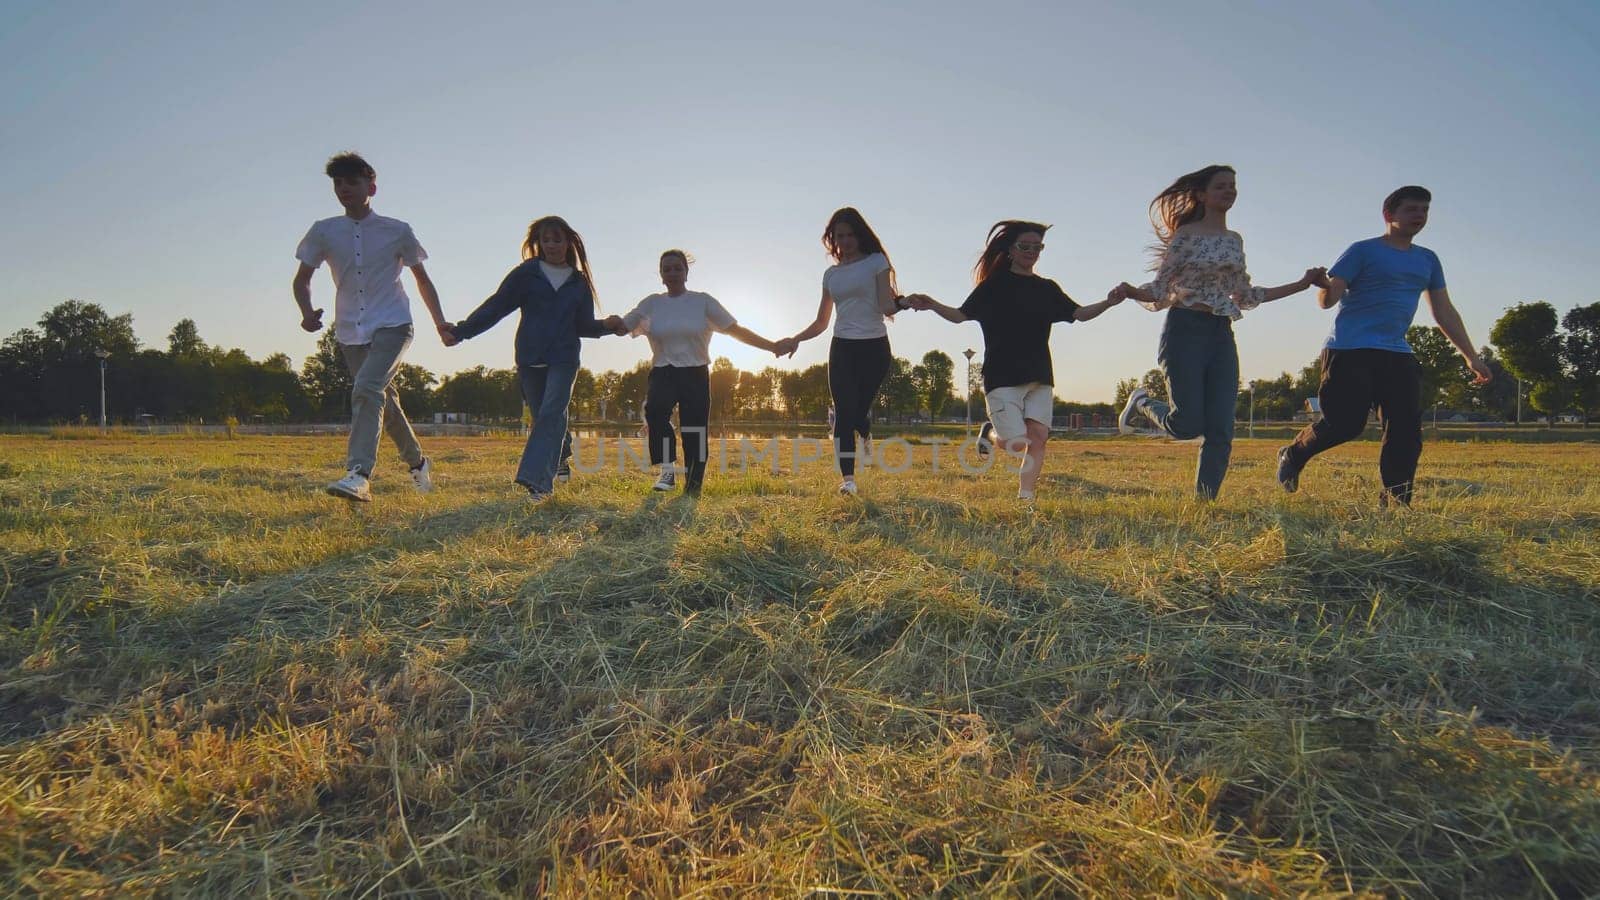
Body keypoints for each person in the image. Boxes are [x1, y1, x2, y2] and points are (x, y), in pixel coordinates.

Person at [1114, 164, 1326, 499]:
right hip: (1184, 329)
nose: (1229, 191)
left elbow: (1247, 294)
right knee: (1186, 425)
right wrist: (1130, 291)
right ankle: (1142, 402)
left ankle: (1205, 502)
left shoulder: (1233, 241)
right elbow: (1159, 289)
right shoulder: (1186, 236)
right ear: (1201, 194)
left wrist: (1302, 284)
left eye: (1232, 186)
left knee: (1221, 429)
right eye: (1220, 186)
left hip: (1220, 332)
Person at [1276, 186, 1491, 506]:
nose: (1419, 216)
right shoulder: (1361, 251)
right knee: (1344, 425)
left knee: (1405, 429)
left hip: (1397, 353)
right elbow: (1328, 299)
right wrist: (1322, 286)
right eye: (1411, 209)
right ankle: (1293, 455)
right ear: (1389, 215)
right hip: (1350, 350)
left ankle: (1395, 501)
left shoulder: (1428, 260)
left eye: (1424, 210)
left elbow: (1443, 310)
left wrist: (1471, 356)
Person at [905, 220, 1125, 501]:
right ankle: (990, 434)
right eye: (1025, 246)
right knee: (1015, 444)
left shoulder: (1047, 288)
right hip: (1002, 376)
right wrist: (933, 304)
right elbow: (961, 315)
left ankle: (1026, 497)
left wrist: (1108, 302)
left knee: (1039, 438)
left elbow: (1079, 314)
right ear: (1011, 249)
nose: (1032, 252)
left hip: (1040, 375)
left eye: (1038, 247)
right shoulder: (993, 286)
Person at [293, 152, 453, 503]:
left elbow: (422, 280)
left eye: (352, 182)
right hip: (351, 330)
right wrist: (306, 312)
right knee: (384, 401)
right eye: (338, 183)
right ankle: (419, 462)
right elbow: (302, 279)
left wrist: (440, 323)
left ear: (372, 186)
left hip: (394, 324)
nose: (344, 189)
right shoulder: (324, 231)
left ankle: (359, 474)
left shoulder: (397, 231)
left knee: (367, 388)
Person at [444, 215, 624, 502]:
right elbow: (496, 306)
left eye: (557, 239)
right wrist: (462, 331)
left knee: (552, 412)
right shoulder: (526, 274)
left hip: (564, 358)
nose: (551, 245)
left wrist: (607, 326)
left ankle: (538, 482)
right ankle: (561, 453)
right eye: (546, 240)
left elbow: (583, 326)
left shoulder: (578, 283)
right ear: (537, 243)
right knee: (545, 418)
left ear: (569, 243)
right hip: (529, 357)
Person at [620, 249, 784, 494]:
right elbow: (625, 324)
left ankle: (693, 486)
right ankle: (668, 471)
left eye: (677, 268)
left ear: (686, 272)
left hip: (695, 373)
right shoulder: (652, 303)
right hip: (663, 371)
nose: (672, 273)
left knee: (694, 429)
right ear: (661, 275)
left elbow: (734, 329)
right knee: (654, 412)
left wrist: (771, 346)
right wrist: (597, 324)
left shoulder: (702, 301)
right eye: (667, 269)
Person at [776, 208, 904, 496]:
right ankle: (848, 481)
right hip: (842, 347)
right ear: (832, 239)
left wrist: (905, 302)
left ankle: (866, 429)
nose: (845, 241)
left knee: (858, 411)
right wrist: (796, 339)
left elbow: (886, 306)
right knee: (845, 413)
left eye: (850, 235)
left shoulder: (875, 262)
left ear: (860, 235)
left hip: (874, 347)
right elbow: (822, 321)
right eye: (839, 236)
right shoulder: (831, 275)